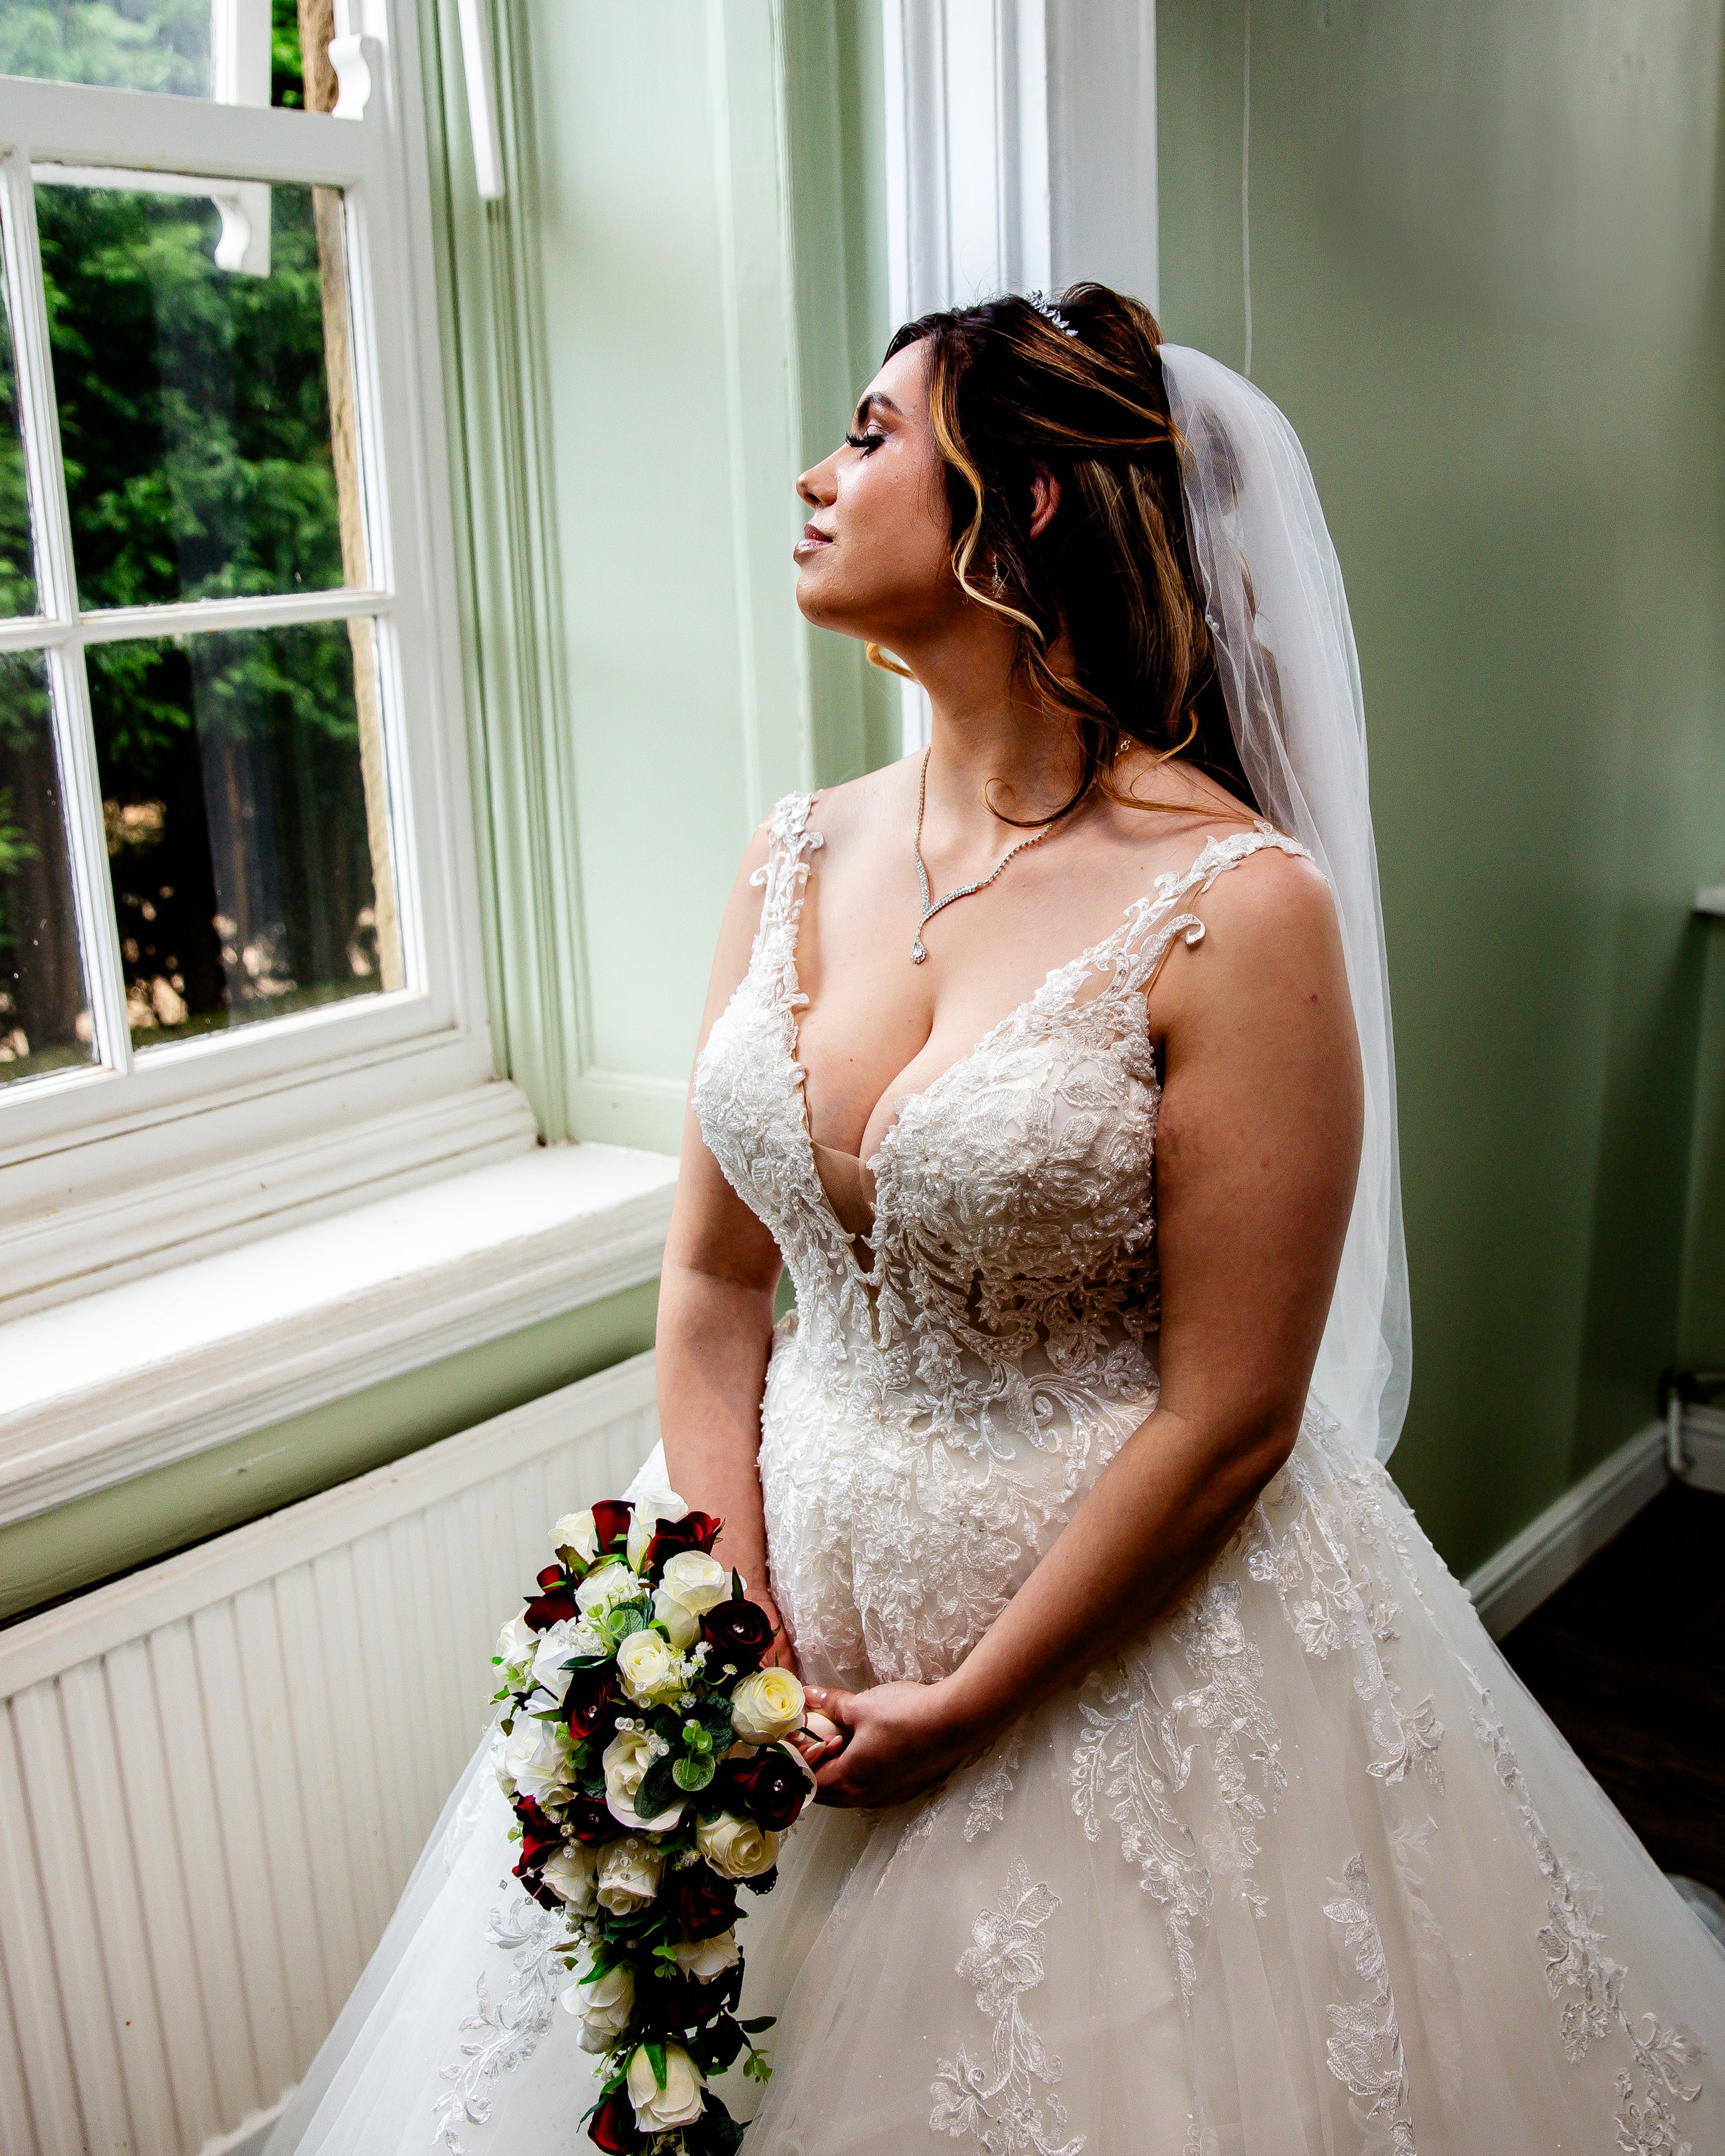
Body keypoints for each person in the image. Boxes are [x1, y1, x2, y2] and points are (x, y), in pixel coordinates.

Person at [268, 286, 1723, 2156]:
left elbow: (1233, 1413)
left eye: (868, 435)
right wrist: (718, 1615)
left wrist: (970, 1704)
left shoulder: (1230, 903)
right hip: (782, 1613)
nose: (812, 472)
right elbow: (716, 1282)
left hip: (1107, 1658)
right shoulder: (792, 852)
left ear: (1021, 501)